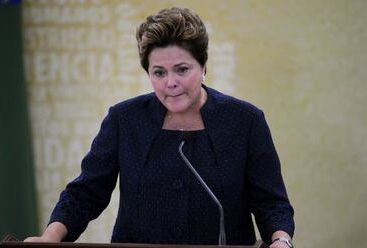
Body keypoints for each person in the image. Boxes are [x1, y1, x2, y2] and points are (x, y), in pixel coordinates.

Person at [25, 7, 295, 248]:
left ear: (204, 67)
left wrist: (280, 240)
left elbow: (271, 202)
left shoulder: (245, 121)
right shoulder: (124, 120)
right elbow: (86, 193)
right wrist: (51, 237)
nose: (171, 82)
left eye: (182, 69)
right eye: (159, 72)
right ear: (148, 74)